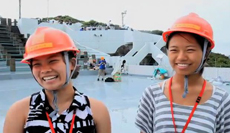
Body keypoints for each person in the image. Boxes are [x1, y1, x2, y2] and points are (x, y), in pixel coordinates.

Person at [135, 13, 230, 133]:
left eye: (190, 50)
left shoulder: (221, 100)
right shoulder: (152, 95)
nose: (181, 57)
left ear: (206, 53)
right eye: (174, 50)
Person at [3, 27, 111, 133]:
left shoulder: (97, 111)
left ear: (72, 64)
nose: (45, 70)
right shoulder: (19, 112)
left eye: (53, 61)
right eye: (37, 64)